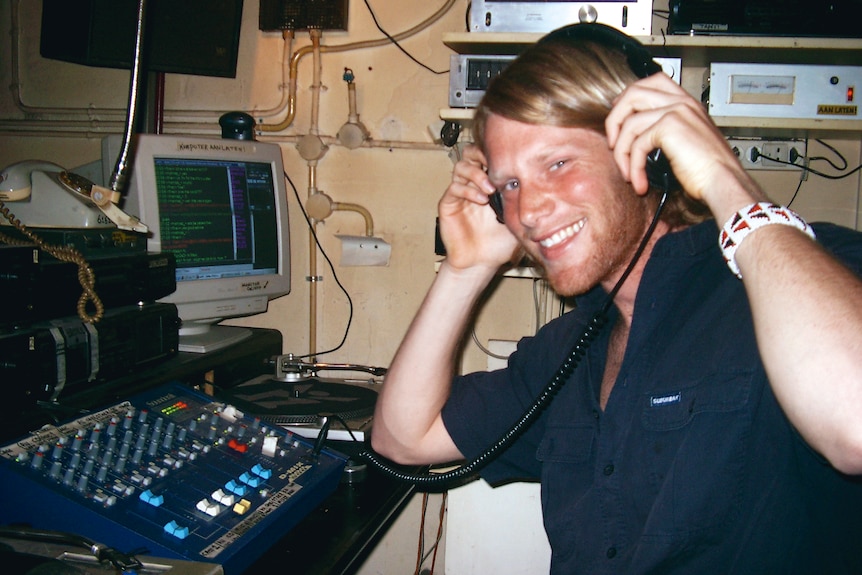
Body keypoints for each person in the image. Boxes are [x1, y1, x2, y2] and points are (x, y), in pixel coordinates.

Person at [370, 22, 862, 574]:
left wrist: (726, 178)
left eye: (557, 164)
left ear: (648, 154)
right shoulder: (567, 352)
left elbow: (856, 425)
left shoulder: (800, 279)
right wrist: (466, 267)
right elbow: (402, 440)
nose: (528, 211)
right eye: (509, 185)